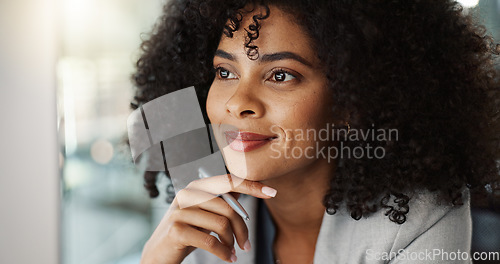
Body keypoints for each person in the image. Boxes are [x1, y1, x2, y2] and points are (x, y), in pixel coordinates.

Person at [131, 0, 500, 263]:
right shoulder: (201, 206)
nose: (238, 103)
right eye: (225, 72)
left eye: (280, 75)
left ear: (350, 102)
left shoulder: (421, 222)